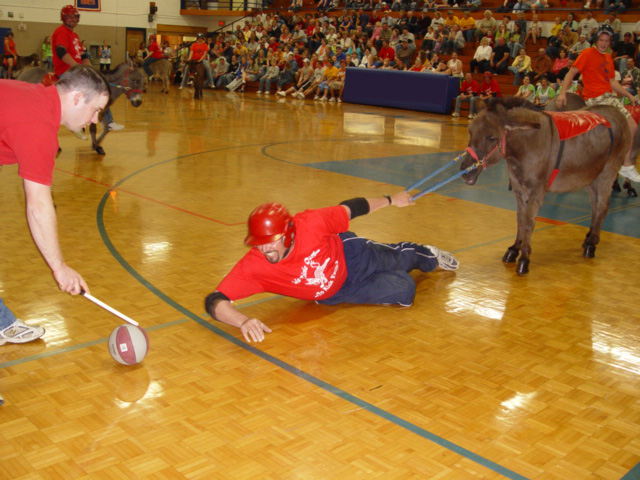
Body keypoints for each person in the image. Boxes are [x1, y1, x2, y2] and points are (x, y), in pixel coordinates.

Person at [204, 193, 459, 343]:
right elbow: (215, 301)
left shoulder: (311, 223)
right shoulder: (255, 265)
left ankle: (428, 254)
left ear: (289, 234)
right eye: (259, 245)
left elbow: (353, 208)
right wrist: (243, 321)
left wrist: (392, 199)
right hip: (337, 293)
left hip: (352, 256)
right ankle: (398, 275)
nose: (264, 250)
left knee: (401, 258)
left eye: (271, 243)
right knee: (405, 291)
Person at [0, 65, 109, 405]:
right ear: (77, 97)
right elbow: (38, 205)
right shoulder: (37, 126)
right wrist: (59, 268)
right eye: (96, 111)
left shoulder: (35, 98)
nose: (94, 121)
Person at [556, 24, 640, 183]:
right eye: (601, 40)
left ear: (610, 42)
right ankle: (627, 165)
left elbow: (613, 82)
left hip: (609, 95)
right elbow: (572, 72)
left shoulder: (608, 57)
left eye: (607, 40)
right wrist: (562, 93)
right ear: (596, 40)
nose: (603, 43)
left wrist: (630, 95)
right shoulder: (587, 53)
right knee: (632, 126)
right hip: (597, 98)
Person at [52, 5, 123, 131]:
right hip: (66, 71)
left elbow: (83, 55)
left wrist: (93, 71)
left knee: (99, 86)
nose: (73, 19)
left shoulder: (75, 36)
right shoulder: (61, 31)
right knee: (95, 89)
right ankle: (106, 121)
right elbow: (60, 52)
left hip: (76, 70)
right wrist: (77, 66)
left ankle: (106, 121)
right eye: (70, 16)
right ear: (63, 18)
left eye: (75, 16)